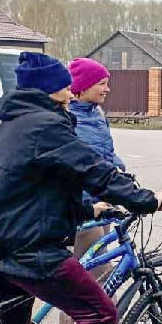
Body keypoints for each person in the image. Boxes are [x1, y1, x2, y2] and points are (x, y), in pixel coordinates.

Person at [0, 52, 162, 324]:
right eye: (65, 84)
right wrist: (144, 198)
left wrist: (91, 209)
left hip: (0, 244)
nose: (71, 89)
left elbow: (42, 182)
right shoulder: (45, 125)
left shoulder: (15, 122)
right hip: (30, 247)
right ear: (52, 90)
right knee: (100, 314)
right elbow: (91, 169)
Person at [67, 58, 125, 283]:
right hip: (84, 205)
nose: (107, 89)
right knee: (94, 276)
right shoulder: (69, 118)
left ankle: (85, 318)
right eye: (101, 83)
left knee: (89, 273)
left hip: (102, 201)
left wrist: (119, 168)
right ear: (83, 86)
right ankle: (87, 319)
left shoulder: (97, 114)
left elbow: (105, 152)